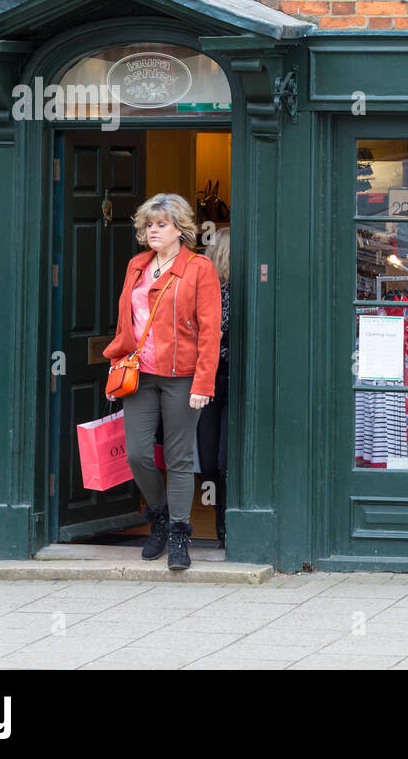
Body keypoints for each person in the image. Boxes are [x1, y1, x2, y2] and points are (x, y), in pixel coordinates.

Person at [103, 193, 222, 571]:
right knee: (137, 454)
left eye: (161, 225)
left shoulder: (199, 268)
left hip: (182, 378)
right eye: (149, 225)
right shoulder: (137, 265)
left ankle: (179, 536)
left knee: (180, 458)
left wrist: (203, 383)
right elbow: (128, 320)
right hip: (138, 374)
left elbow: (210, 330)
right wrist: (117, 357)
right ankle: (158, 514)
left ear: (180, 230)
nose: (153, 231)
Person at [196, 226, 230, 548]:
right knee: (210, 460)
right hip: (209, 380)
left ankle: (226, 530)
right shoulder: (205, 293)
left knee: (221, 459)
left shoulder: (233, 292)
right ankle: (220, 526)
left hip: (228, 380)